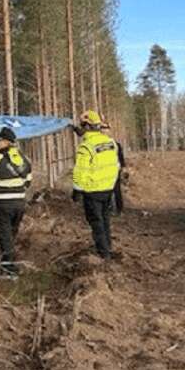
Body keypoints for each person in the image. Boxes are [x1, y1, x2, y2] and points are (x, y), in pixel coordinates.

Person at [0, 127, 33, 275]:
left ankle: (9, 268)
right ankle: (7, 260)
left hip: (0, 204)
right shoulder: (23, 158)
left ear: (5, 142)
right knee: (11, 233)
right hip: (19, 203)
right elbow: (28, 180)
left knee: (3, 234)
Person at [72, 110, 121, 259]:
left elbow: (80, 171)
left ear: (86, 126)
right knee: (105, 220)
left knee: (96, 222)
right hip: (108, 189)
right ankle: (107, 247)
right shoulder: (110, 142)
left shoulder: (86, 147)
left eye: (82, 125)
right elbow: (116, 165)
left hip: (92, 191)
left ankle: (103, 254)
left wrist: (77, 190)